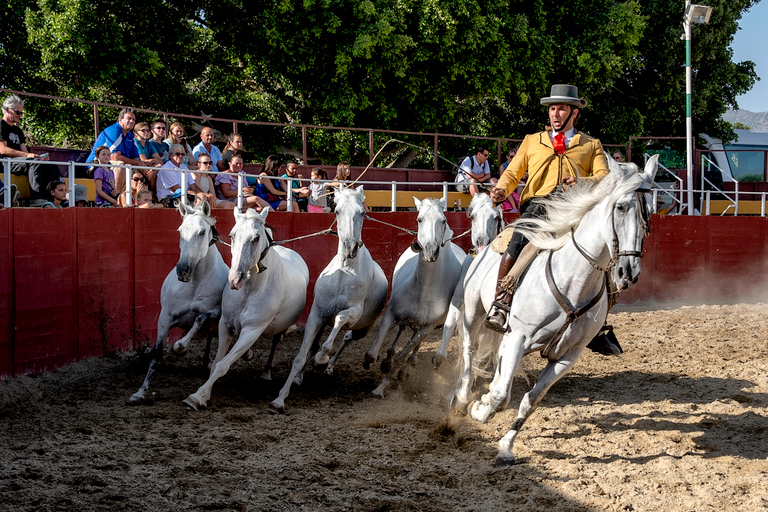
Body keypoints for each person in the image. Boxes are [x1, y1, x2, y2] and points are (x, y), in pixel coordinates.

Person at [485, 84, 609, 333]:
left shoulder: (591, 145)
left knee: (605, 253)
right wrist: (501, 189)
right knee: (517, 242)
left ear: (574, 113)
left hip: (575, 209)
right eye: (552, 109)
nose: (555, 114)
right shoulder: (532, 141)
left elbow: (605, 176)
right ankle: (501, 302)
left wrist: (582, 182)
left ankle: (599, 323)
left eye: (561, 109)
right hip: (539, 207)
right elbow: (512, 172)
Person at [0, 94, 58, 206]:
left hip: (19, 161)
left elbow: (25, 152)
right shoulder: (1, 125)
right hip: (5, 162)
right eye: (17, 112)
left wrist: (38, 157)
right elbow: (3, 150)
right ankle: (36, 199)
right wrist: (28, 156)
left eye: (21, 113)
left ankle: (56, 198)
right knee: (33, 162)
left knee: (49, 164)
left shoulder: (18, 130)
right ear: (7, 109)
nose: (20, 115)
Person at [86, 108, 143, 197]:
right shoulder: (113, 131)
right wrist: (137, 163)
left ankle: (143, 202)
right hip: (95, 165)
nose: (131, 121)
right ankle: (113, 199)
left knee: (142, 174)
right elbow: (114, 157)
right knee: (121, 166)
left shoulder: (130, 136)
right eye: (128, 118)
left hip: (114, 165)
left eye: (133, 119)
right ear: (120, 120)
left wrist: (142, 166)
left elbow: (135, 157)